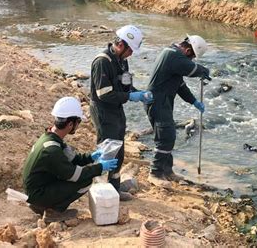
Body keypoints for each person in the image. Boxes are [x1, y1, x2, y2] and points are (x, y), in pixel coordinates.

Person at [23, 97, 118, 223]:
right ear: (70, 124)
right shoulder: (52, 150)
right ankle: (53, 212)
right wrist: (100, 168)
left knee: (79, 175)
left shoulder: (51, 137)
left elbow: (73, 158)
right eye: (78, 122)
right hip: (38, 194)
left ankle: (42, 205)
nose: (78, 126)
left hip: (37, 189)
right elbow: (75, 175)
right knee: (85, 181)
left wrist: (91, 157)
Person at [90, 25, 153, 201]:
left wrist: (138, 93)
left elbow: (126, 83)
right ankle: (102, 191)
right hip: (103, 110)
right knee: (107, 150)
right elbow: (104, 94)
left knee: (118, 149)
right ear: (121, 44)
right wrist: (130, 96)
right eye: (131, 50)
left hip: (116, 108)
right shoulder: (102, 61)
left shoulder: (122, 60)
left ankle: (114, 189)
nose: (131, 54)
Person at [144, 35, 211, 188]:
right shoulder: (172, 55)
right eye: (192, 57)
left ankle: (167, 171)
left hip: (164, 101)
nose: (192, 61)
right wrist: (202, 70)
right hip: (157, 101)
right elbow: (192, 69)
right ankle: (155, 173)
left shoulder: (174, 56)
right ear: (188, 51)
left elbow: (180, 86)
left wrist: (193, 101)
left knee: (168, 135)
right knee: (165, 137)